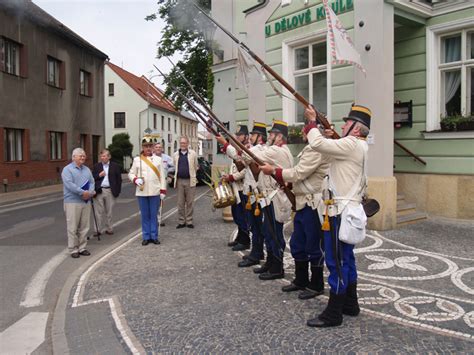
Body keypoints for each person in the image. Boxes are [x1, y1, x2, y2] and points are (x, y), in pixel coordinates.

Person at [303, 104, 371, 327]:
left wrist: (312, 121)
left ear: (356, 129)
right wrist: (333, 136)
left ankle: (334, 313)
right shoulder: (358, 145)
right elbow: (331, 148)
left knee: (336, 262)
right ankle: (350, 303)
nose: (343, 125)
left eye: (347, 123)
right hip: (347, 211)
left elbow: (317, 143)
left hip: (339, 213)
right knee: (347, 259)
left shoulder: (351, 143)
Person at [261, 128, 330, 299]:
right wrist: (290, 185)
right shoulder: (309, 149)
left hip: (312, 204)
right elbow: (302, 175)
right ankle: (300, 280)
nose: (303, 132)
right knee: (298, 243)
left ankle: (316, 284)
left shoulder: (317, 149)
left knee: (313, 246)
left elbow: (300, 173)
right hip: (302, 202)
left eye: (306, 129)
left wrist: (275, 172)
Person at [217, 122, 268, 269]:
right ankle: (257, 252)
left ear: (259, 137)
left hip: (257, 194)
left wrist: (226, 144)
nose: (251, 137)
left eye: (253, 135)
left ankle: (258, 253)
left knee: (258, 226)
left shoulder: (259, 149)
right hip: (251, 191)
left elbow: (241, 157)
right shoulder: (254, 149)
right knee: (254, 225)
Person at [129, 136, 167, 245]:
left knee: (154, 214)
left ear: (153, 147)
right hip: (142, 191)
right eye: (146, 146)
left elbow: (162, 177)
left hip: (155, 191)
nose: (148, 148)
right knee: (145, 215)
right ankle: (146, 236)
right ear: (142, 147)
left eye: (150, 146)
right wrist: (135, 179)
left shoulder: (158, 160)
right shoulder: (137, 160)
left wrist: (163, 191)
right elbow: (131, 173)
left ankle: (154, 236)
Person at [61, 148, 95, 258]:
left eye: (84, 155)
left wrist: (89, 192)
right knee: (73, 226)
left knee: (84, 226)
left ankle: (82, 247)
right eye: (80, 155)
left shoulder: (87, 169)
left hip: (85, 201)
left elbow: (92, 181)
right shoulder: (67, 170)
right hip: (72, 202)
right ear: (73, 157)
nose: (82, 157)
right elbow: (69, 185)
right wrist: (82, 192)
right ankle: (73, 249)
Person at [222, 125, 250, 251]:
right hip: (235, 187)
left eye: (240, 135)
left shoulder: (248, 150)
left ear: (246, 136)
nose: (238, 137)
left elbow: (246, 170)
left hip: (242, 186)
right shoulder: (238, 150)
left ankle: (245, 240)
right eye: (237, 135)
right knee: (236, 213)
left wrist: (232, 177)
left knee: (241, 215)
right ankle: (240, 236)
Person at [92, 149, 122, 236]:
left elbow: (118, 180)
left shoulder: (115, 166)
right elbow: (92, 178)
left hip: (110, 190)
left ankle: (110, 228)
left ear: (109, 157)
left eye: (105, 156)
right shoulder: (97, 166)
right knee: (98, 212)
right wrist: (99, 175)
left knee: (109, 211)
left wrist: (117, 191)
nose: (103, 158)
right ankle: (97, 230)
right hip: (99, 190)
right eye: (102, 156)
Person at [173, 136, 199, 229]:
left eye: (184, 143)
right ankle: (181, 221)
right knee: (180, 203)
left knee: (190, 202)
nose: (182, 145)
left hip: (190, 181)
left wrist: (192, 174)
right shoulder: (175, 154)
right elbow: (174, 166)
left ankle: (189, 221)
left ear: (187, 144)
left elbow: (196, 166)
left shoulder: (193, 154)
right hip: (180, 180)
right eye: (181, 143)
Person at [153, 142, 174, 226]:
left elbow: (173, 167)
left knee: (160, 200)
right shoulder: (151, 158)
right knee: (153, 200)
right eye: (156, 147)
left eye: (160, 147)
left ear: (162, 149)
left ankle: (159, 218)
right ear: (154, 149)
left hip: (162, 182)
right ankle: (153, 218)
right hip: (153, 182)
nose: (158, 148)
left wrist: (168, 175)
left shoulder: (166, 158)